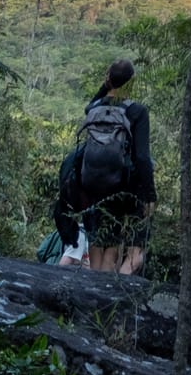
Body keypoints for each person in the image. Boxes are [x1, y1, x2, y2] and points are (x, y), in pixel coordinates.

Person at [54, 59, 155, 274]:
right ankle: (104, 297)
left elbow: (91, 104)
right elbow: (142, 158)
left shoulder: (94, 109)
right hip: (122, 188)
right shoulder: (137, 111)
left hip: (90, 185)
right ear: (131, 83)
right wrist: (149, 195)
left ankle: (92, 294)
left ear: (108, 79)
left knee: (96, 245)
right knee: (112, 250)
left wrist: (107, 84)